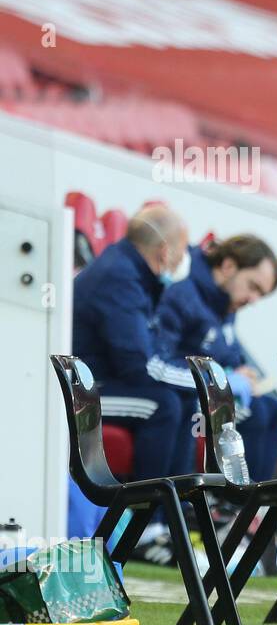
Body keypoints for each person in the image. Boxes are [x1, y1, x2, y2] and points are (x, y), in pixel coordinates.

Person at [72, 204, 197, 483]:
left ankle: (171, 513)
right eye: (183, 249)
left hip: (105, 381)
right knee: (163, 405)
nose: (185, 259)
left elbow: (151, 354)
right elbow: (141, 366)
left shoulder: (135, 274)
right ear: (165, 250)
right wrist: (208, 381)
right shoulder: (120, 277)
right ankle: (148, 518)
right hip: (80, 394)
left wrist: (195, 384)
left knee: (186, 400)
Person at [158, 235, 277, 481]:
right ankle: (237, 505)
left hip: (207, 394)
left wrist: (240, 371)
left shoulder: (225, 303)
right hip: (181, 395)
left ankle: (256, 508)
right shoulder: (183, 292)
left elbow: (228, 351)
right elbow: (162, 358)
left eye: (261, 294)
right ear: (228, 266)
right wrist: (221, 379)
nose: (254, 299)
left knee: (275, 409)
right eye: (253, 286)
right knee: (255, 414)